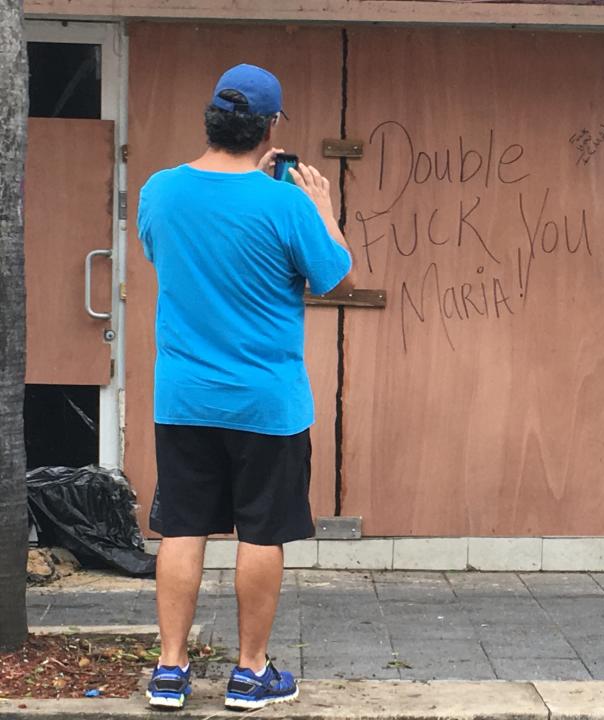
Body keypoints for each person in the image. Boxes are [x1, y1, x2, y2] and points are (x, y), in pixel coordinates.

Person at [137, 64, 354, 710]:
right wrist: (321, 208)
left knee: (182, 528)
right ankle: (250, 672)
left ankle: (170, 670)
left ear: (211, 119)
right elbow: (335, 277)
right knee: (260, 533)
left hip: (183, 399)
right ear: (269, 129)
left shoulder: (160, 191)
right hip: (267, 405)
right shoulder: (286, 202)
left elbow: (171, 253)